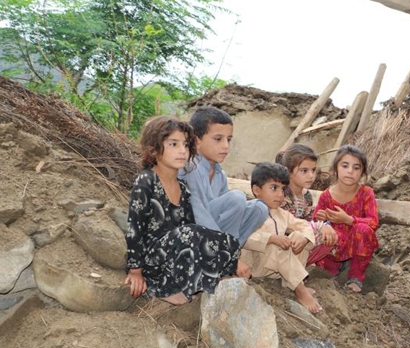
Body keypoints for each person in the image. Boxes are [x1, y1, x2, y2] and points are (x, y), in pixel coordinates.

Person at [124, 116, 242, 305]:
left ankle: (199, 280)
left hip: (176, 258)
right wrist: (135, 271)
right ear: (153, 149)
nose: (182, 151)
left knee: (225, 241)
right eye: (173, 144)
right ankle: (164, 289)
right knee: (192, 232)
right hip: (150, 261)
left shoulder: (183, 187)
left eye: (186, 145)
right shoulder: (146, 181)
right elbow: (134, 229)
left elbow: (189, 229)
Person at [240, 162, 323, 313]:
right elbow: (242, 237)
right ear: (256, 190)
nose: (280, 194)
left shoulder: (282, 214)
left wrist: (303, 238)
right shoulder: (249, 210)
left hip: (276, 268)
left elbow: (304, 225)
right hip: (255, 265)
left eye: (283, 189)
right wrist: (270, 238)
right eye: (274, 188)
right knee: (278, 244)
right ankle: (300, 290)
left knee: (298, 235)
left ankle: (289, 281)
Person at [179, 106, 267, 246]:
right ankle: (226, 252)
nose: (226, 146)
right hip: (191, 230)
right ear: (196, 140)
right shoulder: (190, 168)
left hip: (216, 235)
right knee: (237, 197)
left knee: (260, 208)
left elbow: (231, 217)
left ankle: (229, 250)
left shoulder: (220, 174)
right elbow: (198, 213)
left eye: (229, 139)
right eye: (218, 139)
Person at [313, 145, 379, 293]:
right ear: (336, 169)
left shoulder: (366, 193)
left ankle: (356, 276)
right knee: (319, 233)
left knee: (363, 229)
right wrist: (321, 220)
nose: (350, 171)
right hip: (333, 245)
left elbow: (373, 222)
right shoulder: (326, 196)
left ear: (362, 172)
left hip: (355, 244)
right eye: (345, 166)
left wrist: (349, 219)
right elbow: (316, 220)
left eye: (356, 168)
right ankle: (330, 272)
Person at [276, 144, 338, 265]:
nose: (311, 175)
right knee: (308, 233)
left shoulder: (306, 195)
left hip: (300, 242)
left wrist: (322, 219)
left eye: (313, 170)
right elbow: (289, 225)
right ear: (288, 171)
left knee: (330, 233)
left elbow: (307, 217)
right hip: (283, 245)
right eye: (304, 170)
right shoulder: (281, 195)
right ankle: (289, 267)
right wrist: (318, 226)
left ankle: (300, 265)